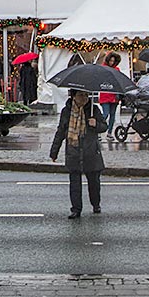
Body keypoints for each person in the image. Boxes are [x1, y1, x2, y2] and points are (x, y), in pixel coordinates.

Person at [49, 90, 108, 219]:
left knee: (94, 182)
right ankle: (76, 209)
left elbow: (104, 126)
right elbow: (61, 131)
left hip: (90, 151)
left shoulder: (93, 109)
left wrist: (95, 124)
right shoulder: (67, 111)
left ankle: (95, 204)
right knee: (74, 183)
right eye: (81, 95)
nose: (84, 98)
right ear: (74, 96)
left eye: (86, 95)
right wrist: (54, 151)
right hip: (73, 151)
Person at [99, 52, 122, 138]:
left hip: (114, 95)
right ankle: (99, 131)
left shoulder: (117, 69)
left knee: (112, 115)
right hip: (105, 95)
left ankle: (109, 132)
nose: (112, 62)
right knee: (105, 114)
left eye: (113, 61)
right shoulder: (103, 68)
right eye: (111, 60)